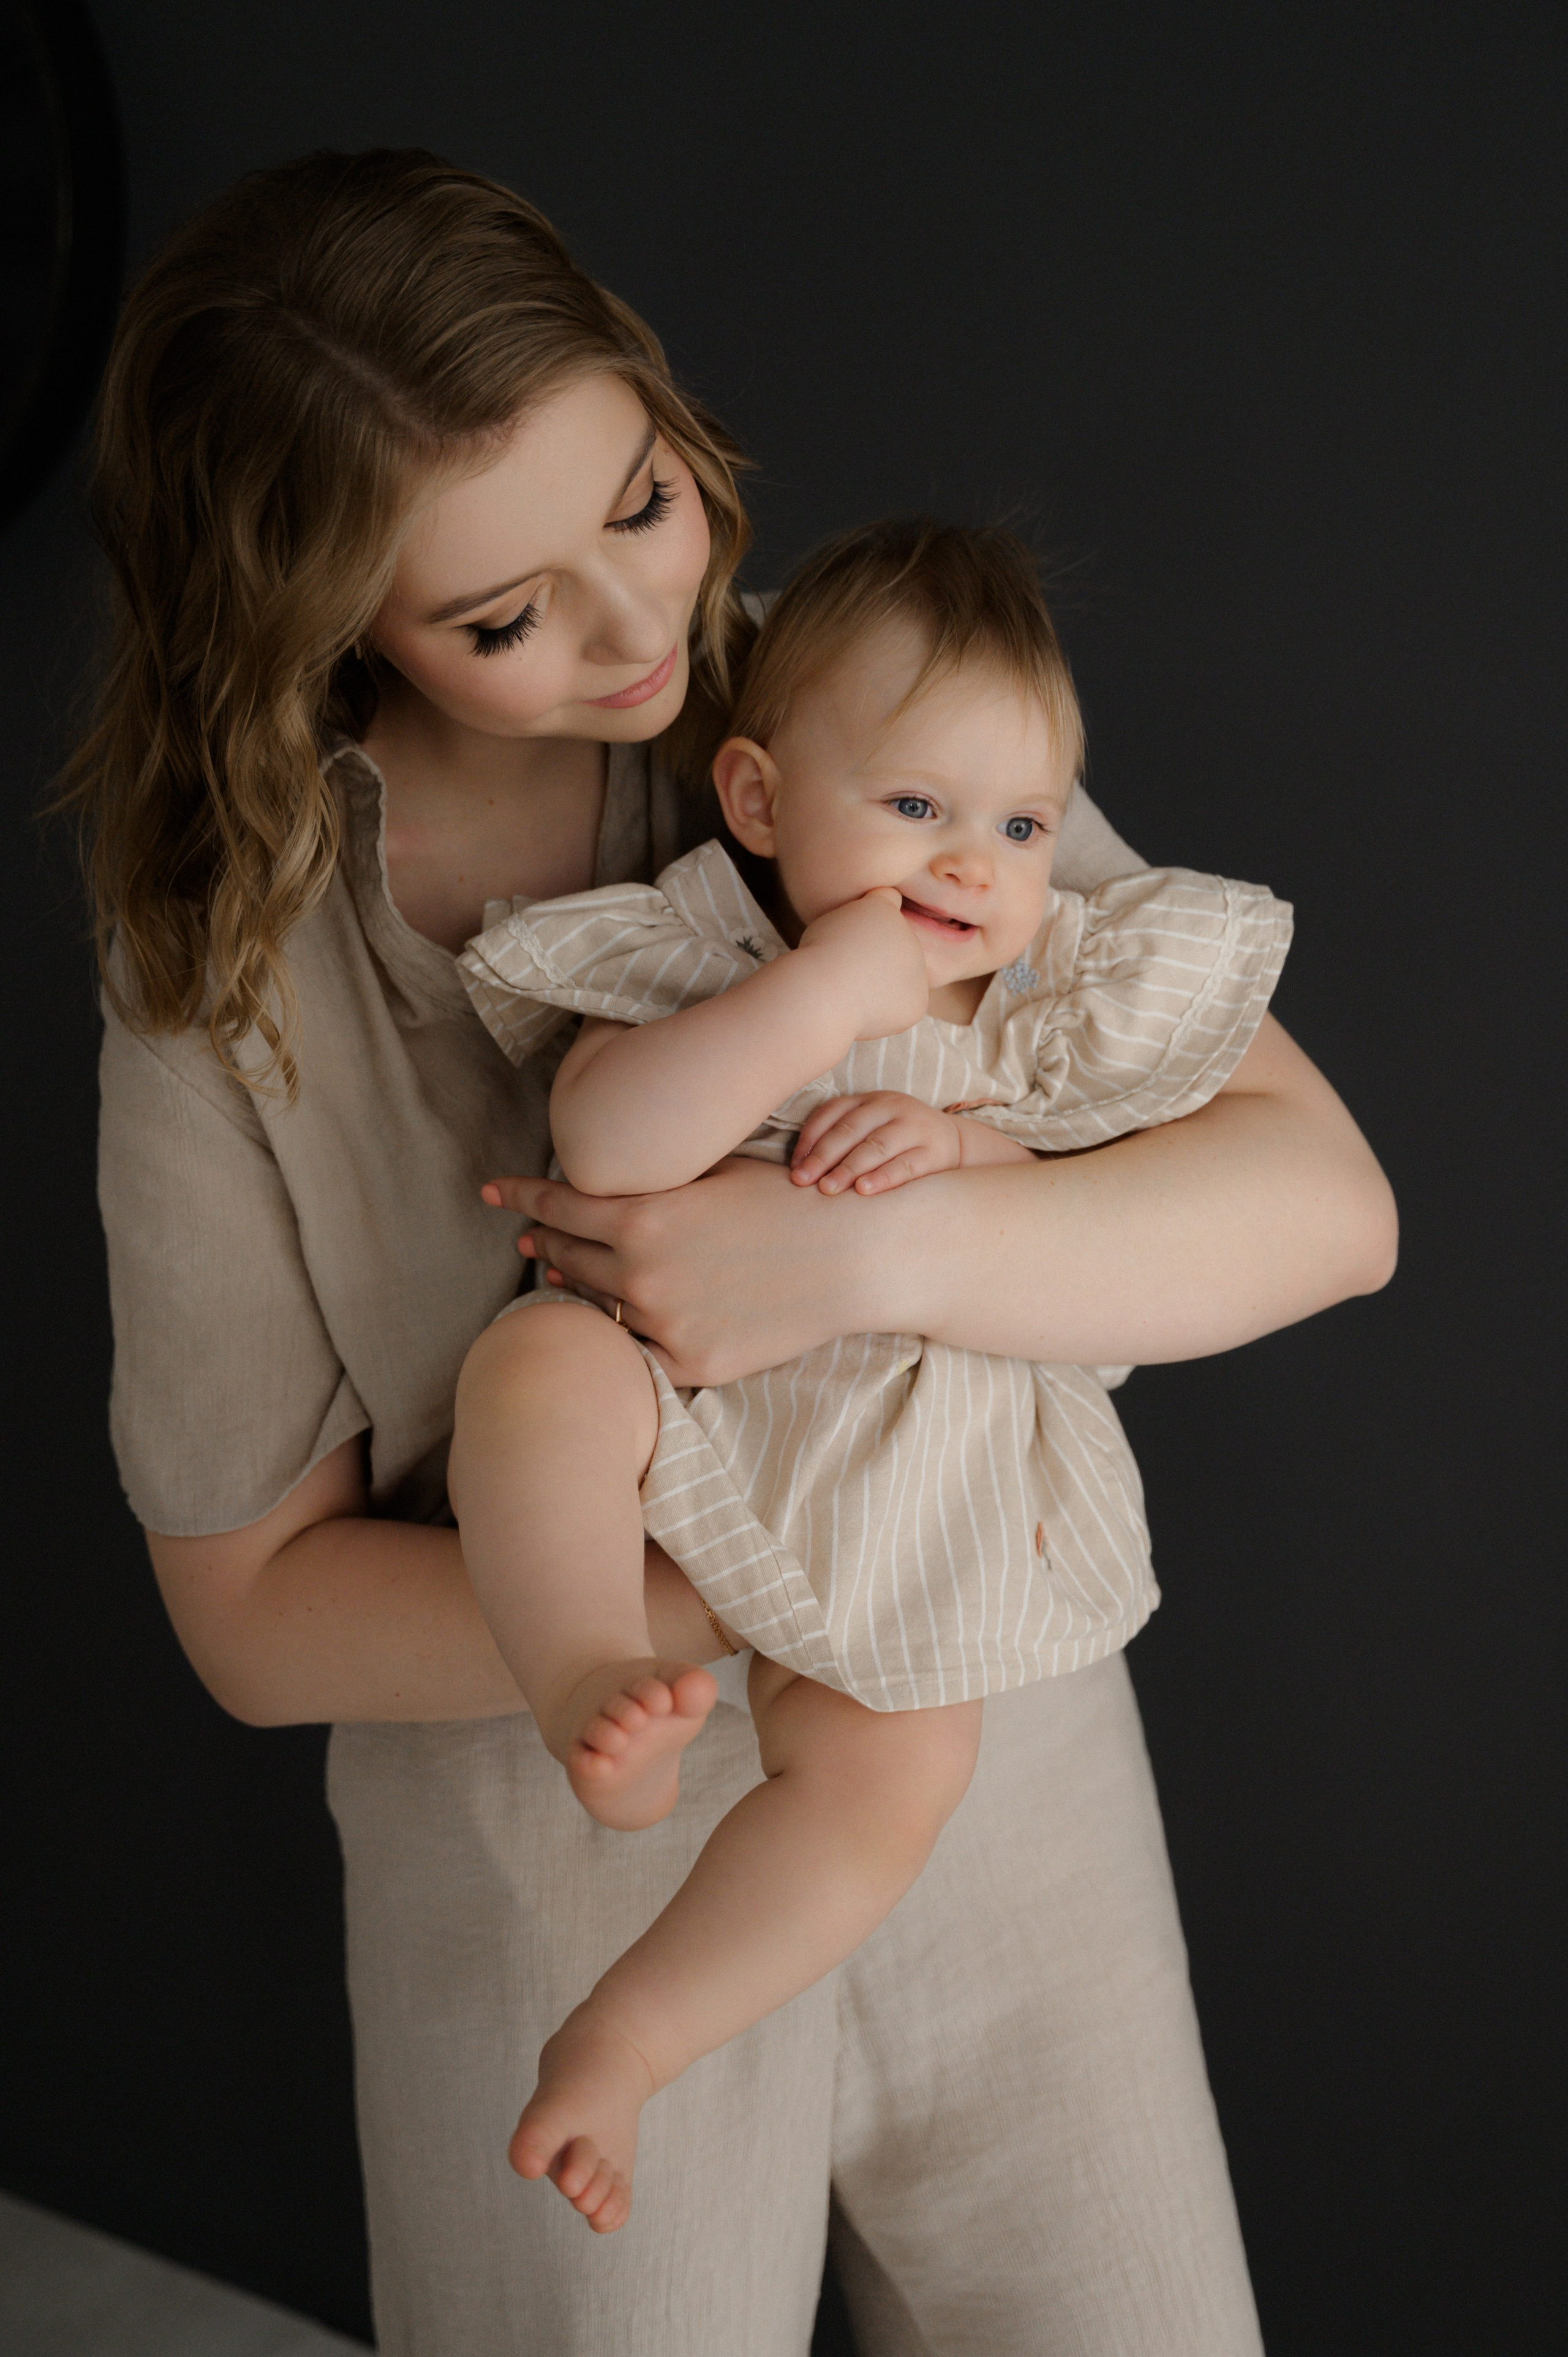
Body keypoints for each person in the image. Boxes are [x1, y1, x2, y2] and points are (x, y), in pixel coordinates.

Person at [67, 148, 1396, 2356]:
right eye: (500, 619)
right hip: (555, 1838)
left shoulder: (865, 714)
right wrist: (722, 1606)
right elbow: (250, 1608)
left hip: (996, 1745)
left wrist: (860, 1263)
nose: (636, 632)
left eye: (645, 500)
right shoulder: (222, 960)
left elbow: (1321, 1204)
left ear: (665, 408)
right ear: (322, 629)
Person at [447, 516, 1294, 2233]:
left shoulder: (1036, 1009)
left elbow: (1093, 1217)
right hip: (671, 1423)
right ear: (757, 803)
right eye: (915, 807)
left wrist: (972, 1162)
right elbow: (607, 1138)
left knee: (891, 1782)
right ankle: (583, 1675)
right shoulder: (711, 949)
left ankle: (629, 2037)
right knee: (535, 1372)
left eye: (1021, 825)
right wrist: (832, 993)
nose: (971, 865)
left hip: (904, 1481)